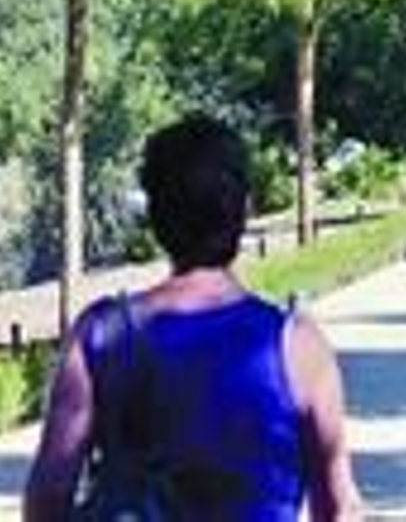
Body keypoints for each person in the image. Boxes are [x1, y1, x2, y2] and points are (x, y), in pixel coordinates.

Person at [25, 116, 362, 522]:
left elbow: (48, 497)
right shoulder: (298, 346)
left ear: (154, 217)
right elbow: (339, 508)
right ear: (245, 210)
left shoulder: (102, 336)